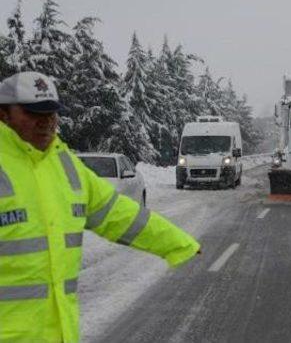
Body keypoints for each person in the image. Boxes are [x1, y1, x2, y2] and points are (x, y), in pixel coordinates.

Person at [0, 71, 201, 342]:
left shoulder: (65, 166)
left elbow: (121, 215)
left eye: (51, 112)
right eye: (33, 113)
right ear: (4, 114)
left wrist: (178, 243)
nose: (46, 122)